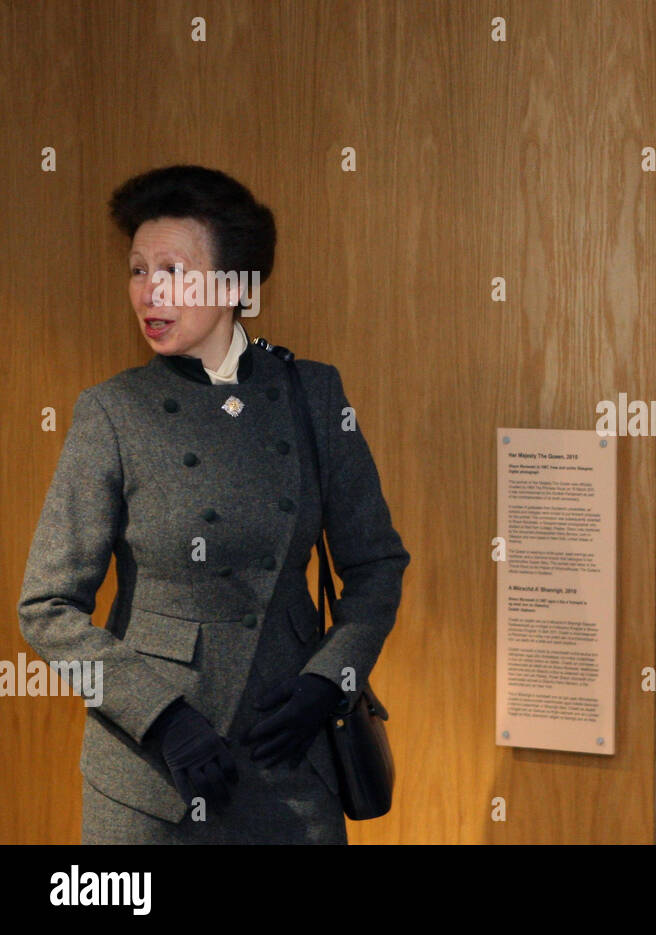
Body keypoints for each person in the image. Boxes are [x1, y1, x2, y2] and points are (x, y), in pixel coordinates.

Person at [17, 165, 410, 842]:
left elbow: (376, 565)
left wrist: (328, 678)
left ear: (235, 284)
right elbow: (46, 609)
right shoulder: (112, 411)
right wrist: (161, 717)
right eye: (138, 270)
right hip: (148, 776)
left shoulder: (312, 394)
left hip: (289, 762)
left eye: (171, 269)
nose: (148, 291)